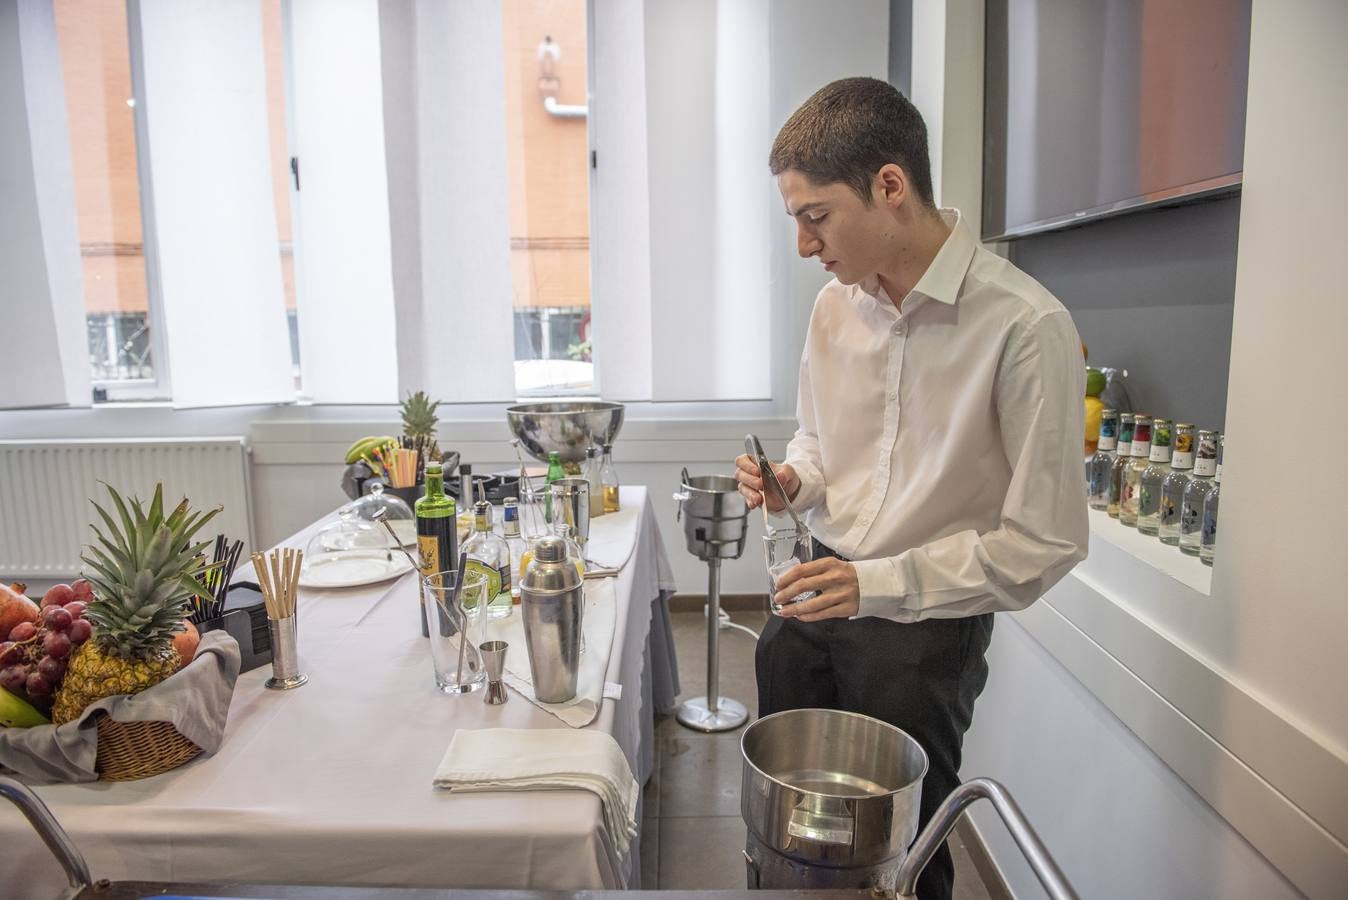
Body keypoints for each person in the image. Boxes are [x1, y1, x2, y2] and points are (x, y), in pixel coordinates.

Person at [735, 77, 1088, 900]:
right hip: (815, 595)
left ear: (889, 187)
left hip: (922, 634)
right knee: (786, 836)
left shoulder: (1024, 327)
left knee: (901, 860)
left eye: (814, 216)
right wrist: (795, 479)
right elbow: (820, 445)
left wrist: (879, 584)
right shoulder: (832, 311)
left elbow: (1044, 544)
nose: (803, 244)